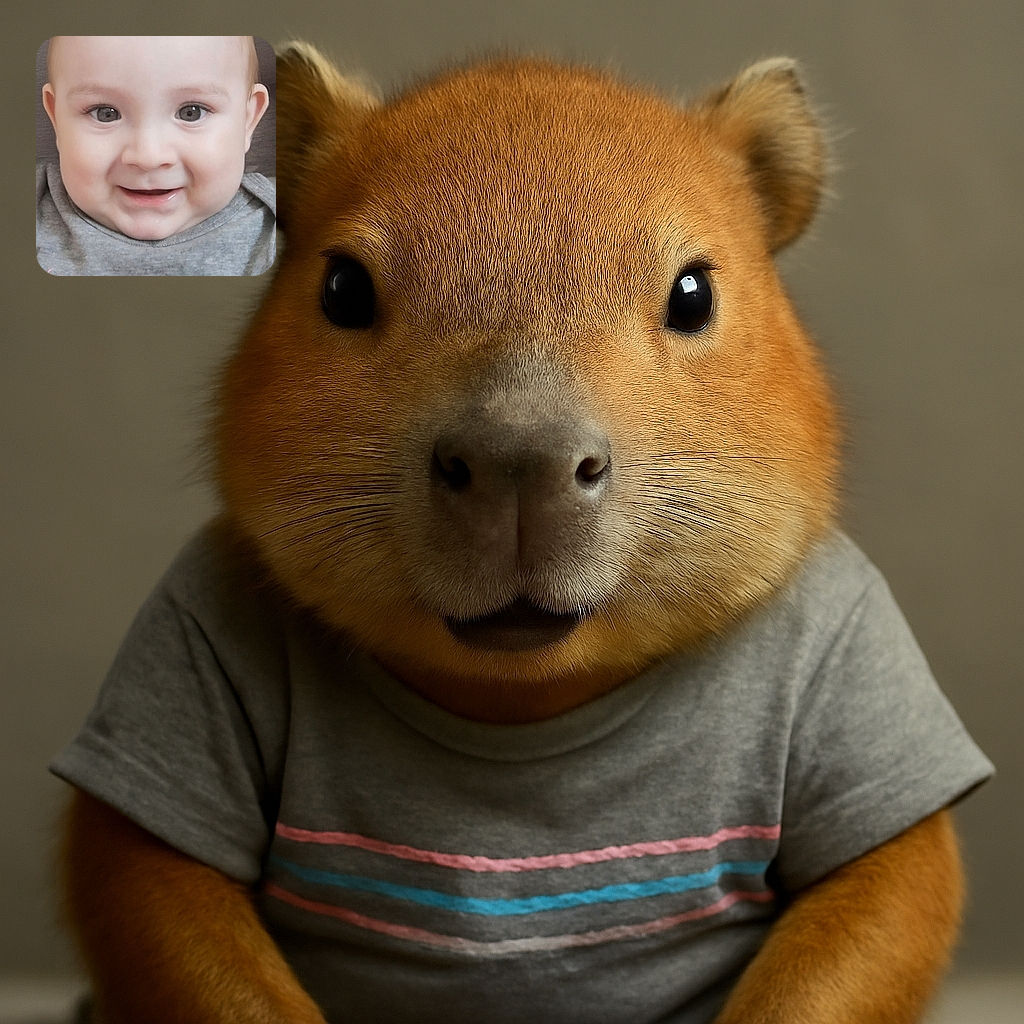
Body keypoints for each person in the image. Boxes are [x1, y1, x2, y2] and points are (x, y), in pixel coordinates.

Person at [37, 36, 275, 276]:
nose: (148, 157)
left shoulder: (279, 226)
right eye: (105, 113)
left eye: (191, 113)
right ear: (56, 118)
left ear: (247, 121)